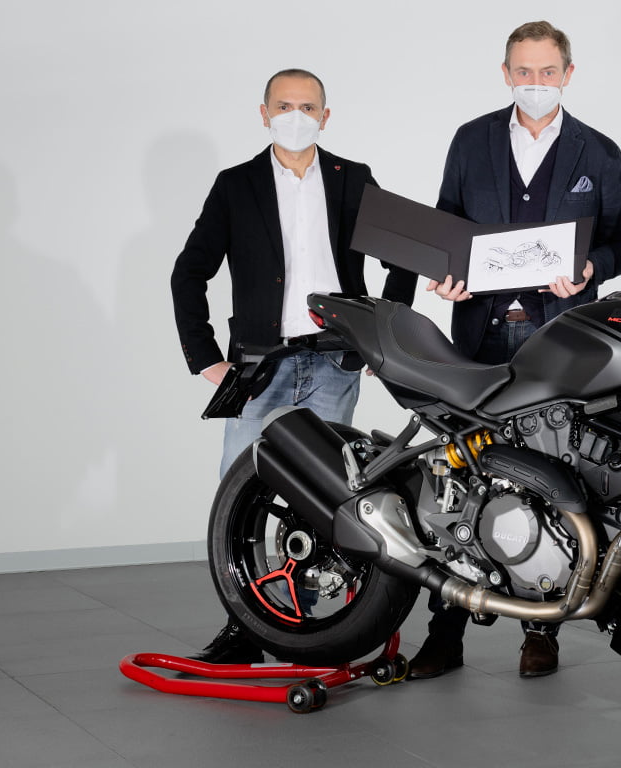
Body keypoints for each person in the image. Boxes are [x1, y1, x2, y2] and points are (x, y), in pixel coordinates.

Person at [411, 20, 621, 679]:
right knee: (458, 480)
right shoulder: (471, 140)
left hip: (559, 340)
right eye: (523, 71)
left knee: (553, 479)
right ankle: (444, 633)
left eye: (547, 71)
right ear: (506, 73)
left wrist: (591, 269)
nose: (535, 83)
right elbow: (447, 223)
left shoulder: (599, 151)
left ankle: (542, 632)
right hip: (479, 335)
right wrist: (446, 274)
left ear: (567, 74)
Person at [171, 68, 417, 664]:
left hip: (333, 360)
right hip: (260, 364)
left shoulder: (353, 179)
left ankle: (307, 624)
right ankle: (245, 629)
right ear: (264, 114)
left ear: (325, 117)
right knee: (241, 498)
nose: (296, 116)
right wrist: (206, 360)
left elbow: (403, 256)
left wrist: (379, 338)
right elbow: (189, 272)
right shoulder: (236, 185)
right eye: (284, 106)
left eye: (308, 107)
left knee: (320, 496)